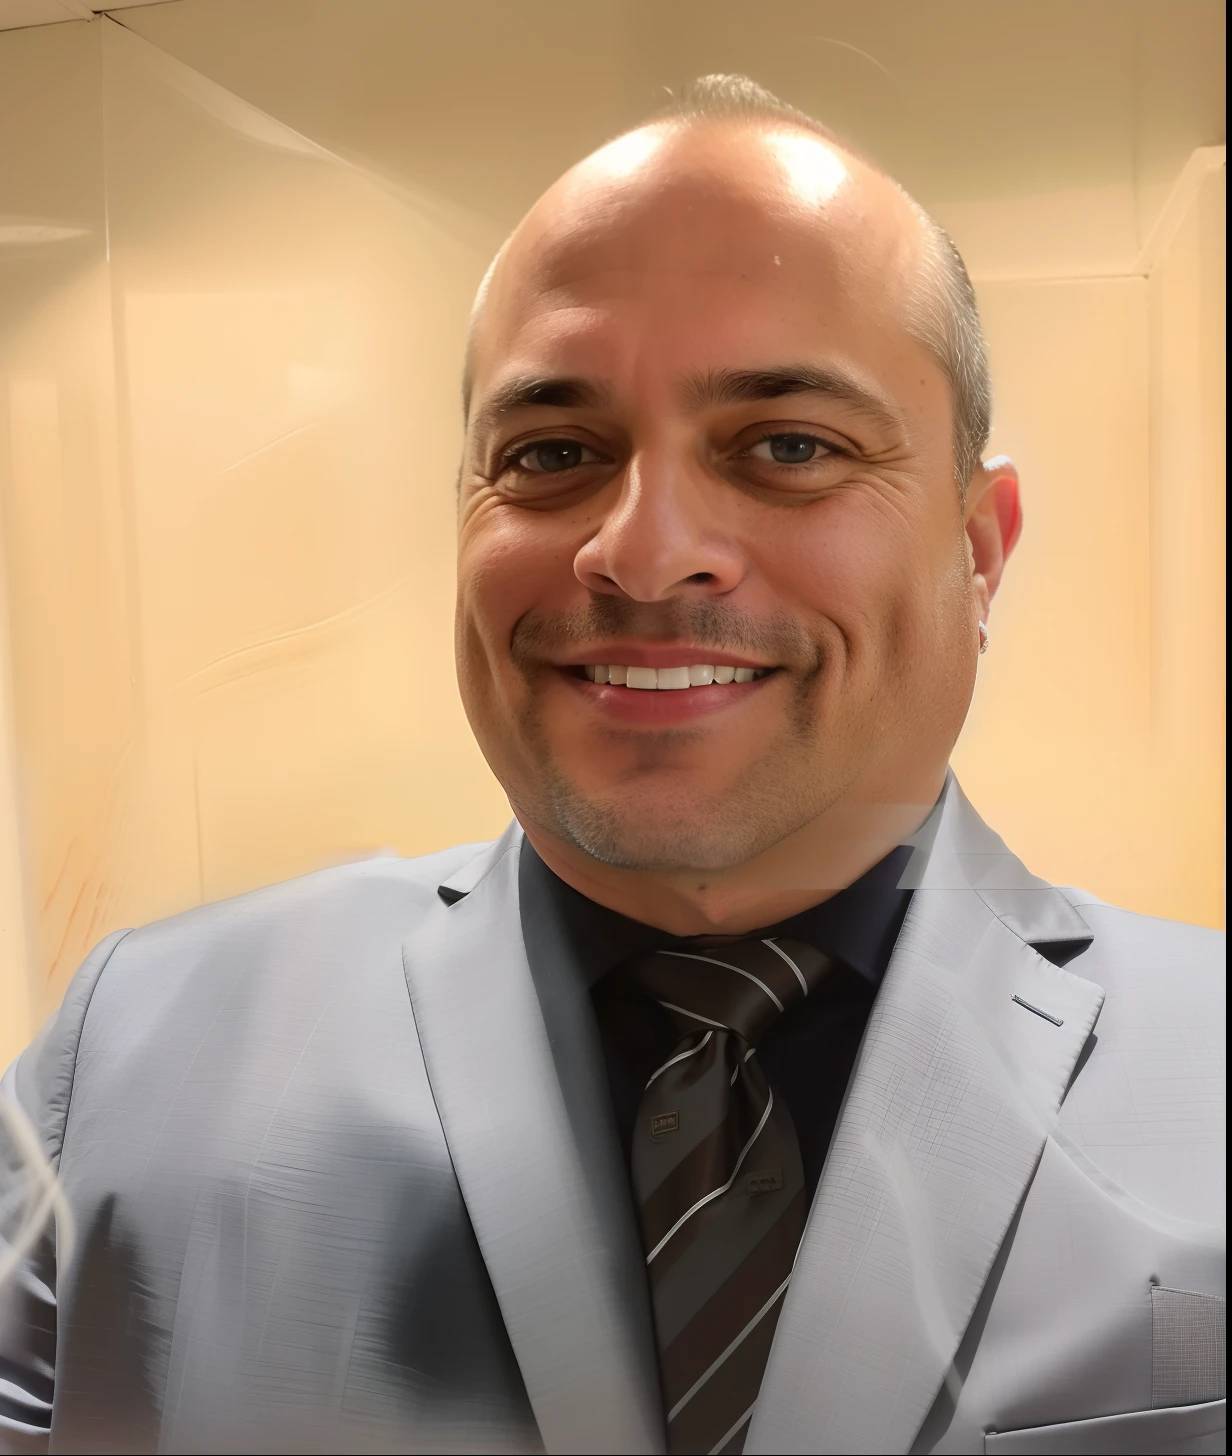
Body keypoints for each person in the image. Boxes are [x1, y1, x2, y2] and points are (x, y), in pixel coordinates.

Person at [0, 74, 1224, 1456]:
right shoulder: (127, 1062)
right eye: (554, 453)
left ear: (980, 548)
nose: (642, 552)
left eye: (789, 446)